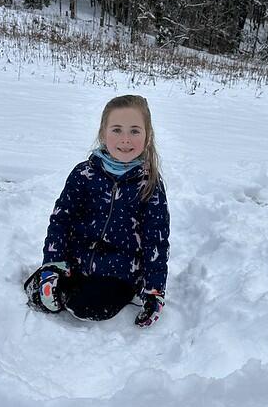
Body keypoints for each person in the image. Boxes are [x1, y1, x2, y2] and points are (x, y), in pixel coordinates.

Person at [24, 94, 170, 327]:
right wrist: (53, 264)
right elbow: (61, 221)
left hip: (119, 272)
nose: (125, 139)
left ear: (147, 136)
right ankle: (51, 283)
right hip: (76, 261)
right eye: (116, 130)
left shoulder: (149, 184)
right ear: (103, 133)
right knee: (45, 291)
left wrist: (154, 291)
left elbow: (156, 240)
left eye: (134, 131)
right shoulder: (84, 174)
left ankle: (75, 294)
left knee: (90, 306)